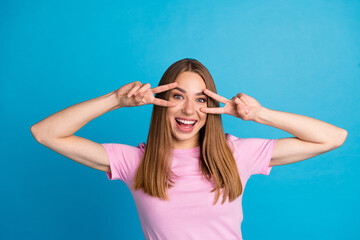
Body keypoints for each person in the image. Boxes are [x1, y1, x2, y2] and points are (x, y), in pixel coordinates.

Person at [30, 58, 348, 240]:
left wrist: (259, 114)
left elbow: (333, 137)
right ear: (162, 103)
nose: (188, 111)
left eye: (200, 100)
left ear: (210, 106)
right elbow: (45, 133)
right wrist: (115, 100)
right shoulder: (135, 162)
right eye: (178, 96)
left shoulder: (237, 154)